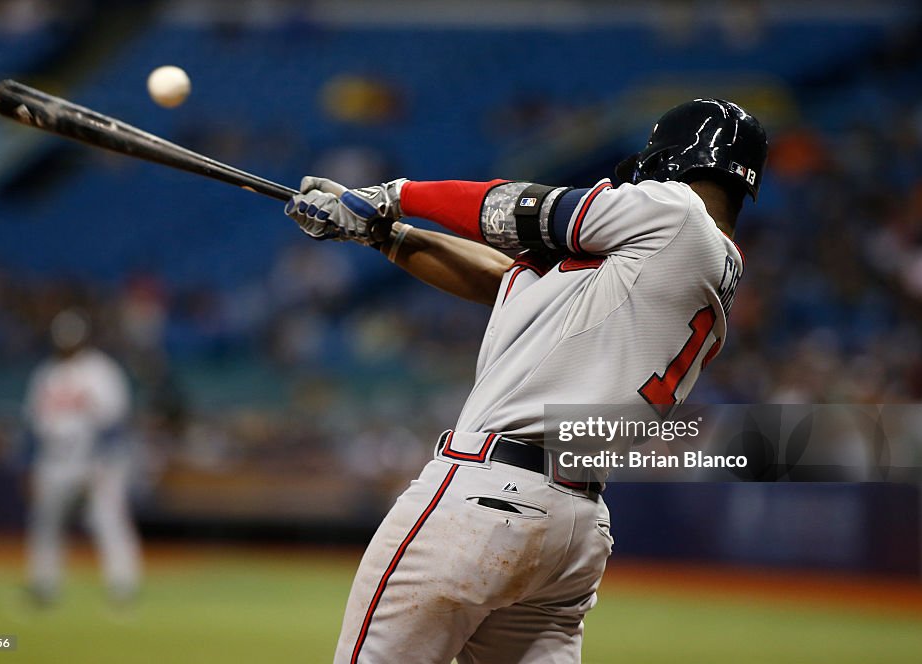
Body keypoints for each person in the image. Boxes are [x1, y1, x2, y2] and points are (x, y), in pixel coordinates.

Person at [285, 98, 768, 663]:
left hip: (484, 495)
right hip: (572, 530)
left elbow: (514, 208)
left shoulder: (674, 210)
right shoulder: (690, 271)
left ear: (672, 161)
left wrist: (394, 194)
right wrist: (382, 233)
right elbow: (503, 278)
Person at [23, 308, 141, 606]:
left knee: (107, 521)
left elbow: (114, 422)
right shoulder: (46, 374)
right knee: (46, 524)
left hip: (96, 461)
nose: (66, 344)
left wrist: (104, 464)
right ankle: (43, 585)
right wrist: (30, 467)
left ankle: (122, 586)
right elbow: (33, 426)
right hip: (53, 461)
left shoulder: (101, 371)